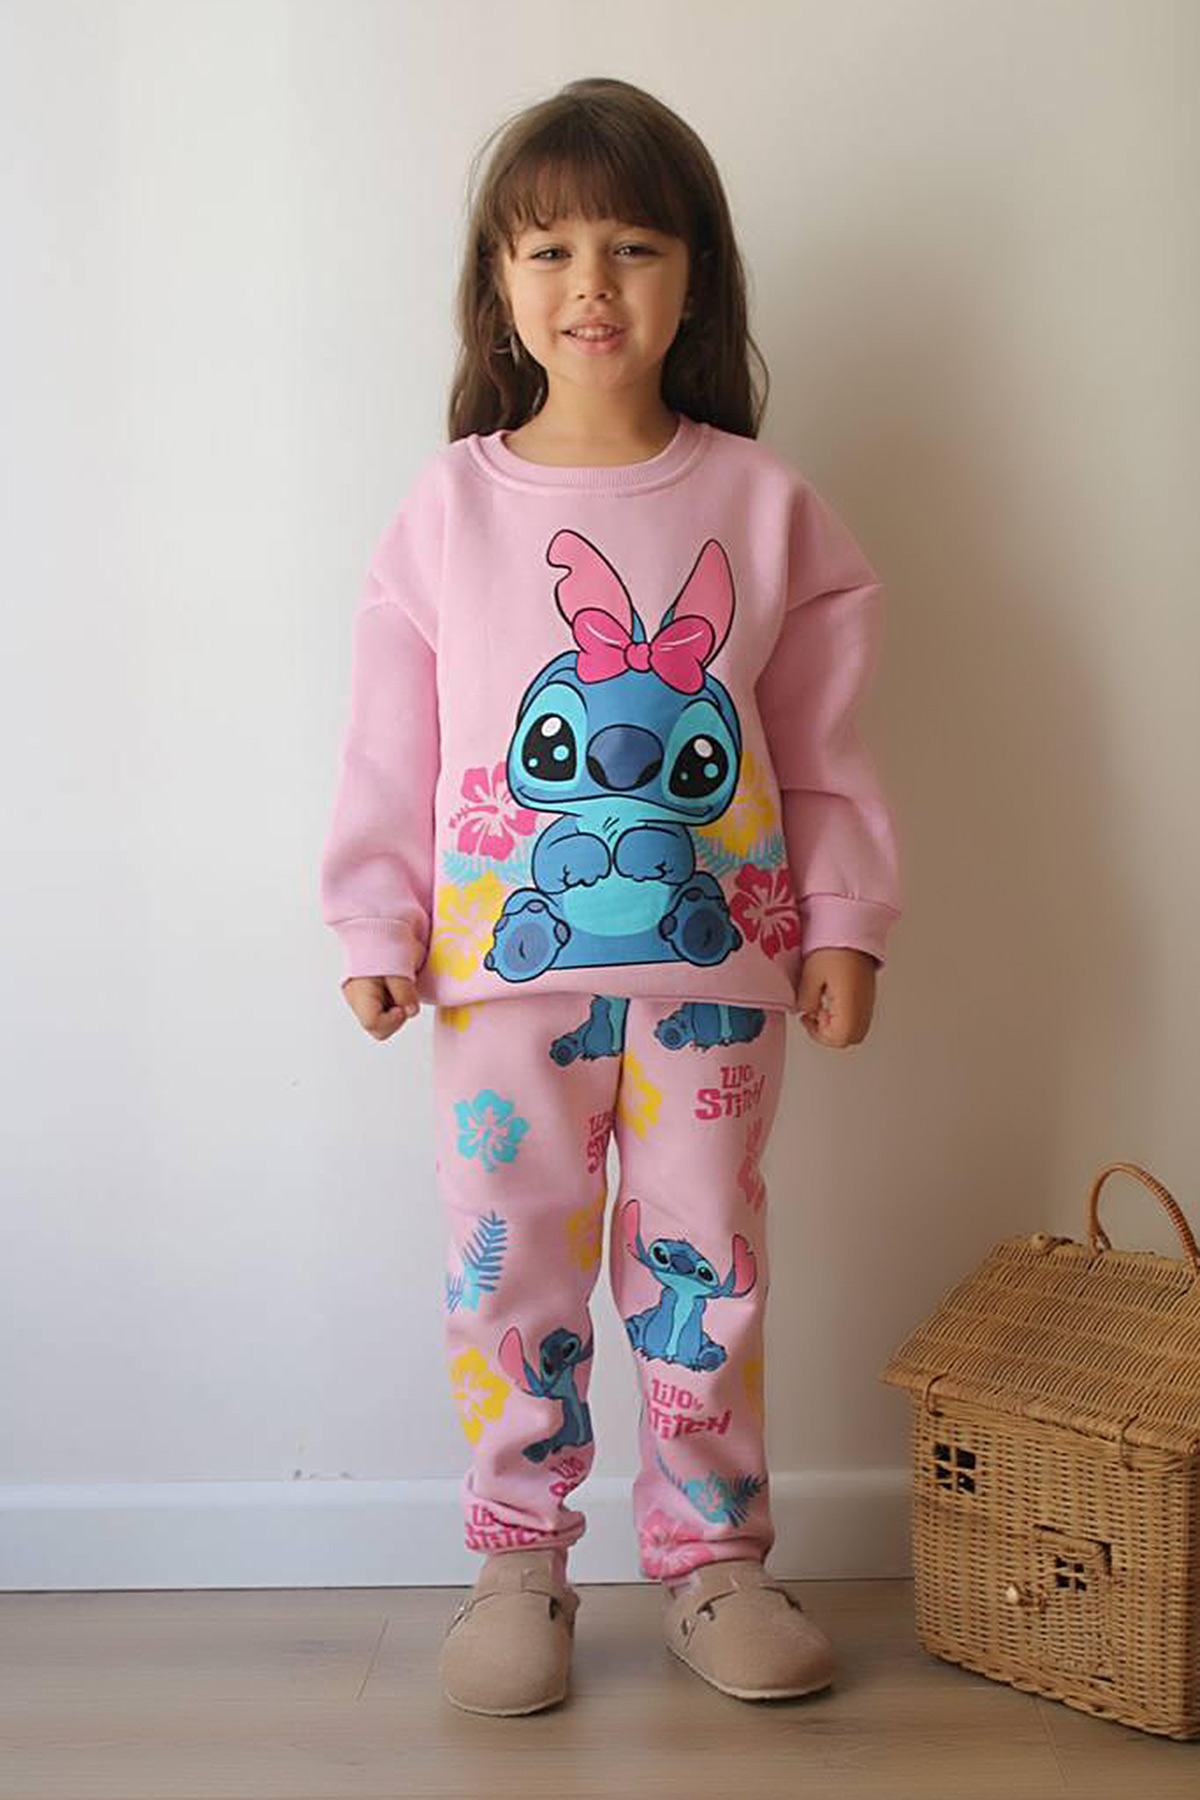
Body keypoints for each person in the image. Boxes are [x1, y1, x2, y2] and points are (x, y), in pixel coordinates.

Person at [318, 76, 902, 1717]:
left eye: (635, 247)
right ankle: (519, 1559)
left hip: (718, 984)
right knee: (509, 1262)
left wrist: (846, 918)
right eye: (552, 248)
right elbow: (390, 742)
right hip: (503, 978)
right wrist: (373, 918)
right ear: (498, 286)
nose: (592, 284)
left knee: (706, 1265)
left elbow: (824, 746)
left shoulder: (766, 507)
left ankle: (715, 1561)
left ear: (695, 278)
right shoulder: (449, 509)